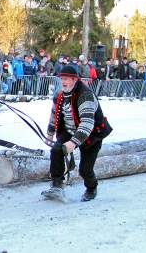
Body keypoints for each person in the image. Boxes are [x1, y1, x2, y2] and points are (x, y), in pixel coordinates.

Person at [42, 65, 112, 202]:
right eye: (62, 78)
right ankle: (57, 185)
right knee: (56, 150)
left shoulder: (85, 95)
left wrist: (73, 143)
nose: (63, 82)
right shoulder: (59, 94)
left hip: (91, 134)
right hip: (69, 130)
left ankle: (91, 188)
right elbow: (54, 114)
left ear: (75, 79)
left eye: (66, 79)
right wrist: (50, 133)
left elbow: (87, 124)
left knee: (85, 170)